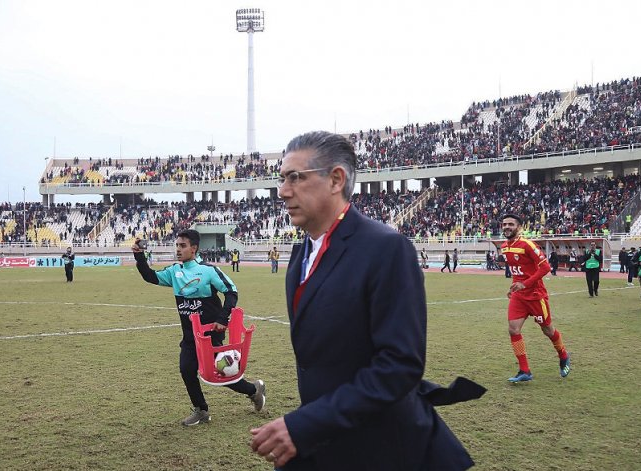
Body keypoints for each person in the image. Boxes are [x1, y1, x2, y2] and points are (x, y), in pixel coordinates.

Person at [250, 131, 477, 470]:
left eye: (295, 177)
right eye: (282, 178)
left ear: (336, 179)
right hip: (330, 438)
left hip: (386, 446)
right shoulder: (300, 255)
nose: (283, 191)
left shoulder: (385, 248)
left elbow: (400, 366)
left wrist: (306, 425)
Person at [131, 230, 266, 426]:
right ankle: (201, 411)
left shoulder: (208, 271)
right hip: (190, 336)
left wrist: (222, 318)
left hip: (211, 335)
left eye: (182, 246)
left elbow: (231, 292)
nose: (178, 249)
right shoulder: (174, 272)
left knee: (221, 375)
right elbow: (150, 276)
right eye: (177, 245)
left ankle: (254, 390)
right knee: (186, 370)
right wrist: (138, 255)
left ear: (194, 249)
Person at [500, 214, 571, 383]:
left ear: (519, 227)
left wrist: (525, 284)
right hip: (519, 296)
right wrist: (514, 286)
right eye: (504, 224)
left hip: (536, 295)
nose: (506, 227)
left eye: (511, 224)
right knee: (513, 329)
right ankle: (524, 370)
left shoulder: (527, 244)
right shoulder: (504, 247)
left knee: (548, 330)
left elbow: (545, 267)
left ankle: (563, 355)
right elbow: (519, 270)